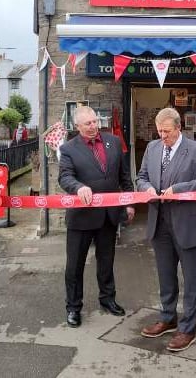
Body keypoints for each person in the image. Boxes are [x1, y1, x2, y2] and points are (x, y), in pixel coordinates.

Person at [136, 107, 196, 352]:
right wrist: (146, 188)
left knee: (191, 279)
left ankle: (188, 328)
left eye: (167, 132)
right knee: (165, 275)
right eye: (159, 131)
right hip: (159, 222)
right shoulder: (152, 148)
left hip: (187, 223)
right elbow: (140, 176)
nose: (162, 136)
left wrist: (181, 189)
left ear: (179, 128)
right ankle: (168, 317)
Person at [58, 106, 135, 328]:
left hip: (109, 216)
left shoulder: (113, 142)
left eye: (95, 122)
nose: (93, 127)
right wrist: (78, 187)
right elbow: (65, 177)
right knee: (74, 266)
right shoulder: (68, 149)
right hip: (81, 217)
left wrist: (128, 203)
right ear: (77, 127)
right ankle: (73, 307)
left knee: (106, 261)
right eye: (87, 124)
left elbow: (124, 177)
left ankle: (108, 299)